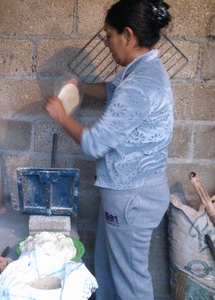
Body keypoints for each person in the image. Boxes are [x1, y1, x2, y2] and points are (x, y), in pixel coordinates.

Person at [45, 0, 173, 299]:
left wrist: (62, 117)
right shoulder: (142, 69)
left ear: (127, 35)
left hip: (133, 196)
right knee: (107, 268)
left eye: (109, 35)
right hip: (128, 190)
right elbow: (113, 91)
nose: (106, 43)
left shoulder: (141, 84)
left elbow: (95, 143)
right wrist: (81, 85)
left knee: (129, 280)